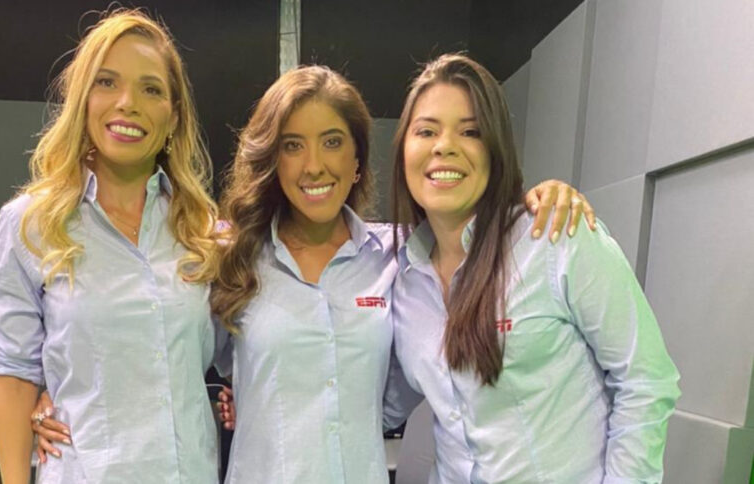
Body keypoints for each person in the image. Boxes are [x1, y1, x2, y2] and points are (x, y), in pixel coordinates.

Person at [33, 65, 591, 481]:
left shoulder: (402, 256)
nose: (314, 165)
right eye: (292, 146)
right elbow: (152, 334)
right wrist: (48, 390)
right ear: (274, 162)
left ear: (356, 161)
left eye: (332, 143)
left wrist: (538, 197)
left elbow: (403, 380)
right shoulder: (228, 256)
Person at [390, 53, 680, 483]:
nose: (444, 145)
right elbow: (377, 401)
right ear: (404, 149)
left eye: (470, 131)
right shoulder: (404, 278)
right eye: (426, 130)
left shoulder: (557, 237)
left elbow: (646, 381)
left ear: (496, 149)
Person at [0, 9, 221, 483]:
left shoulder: (203, 230)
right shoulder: (31, 224)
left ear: (173, 115)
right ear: (81, 99)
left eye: (151, 89)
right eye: (107, 82)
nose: (127, 103)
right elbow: (14, 372)